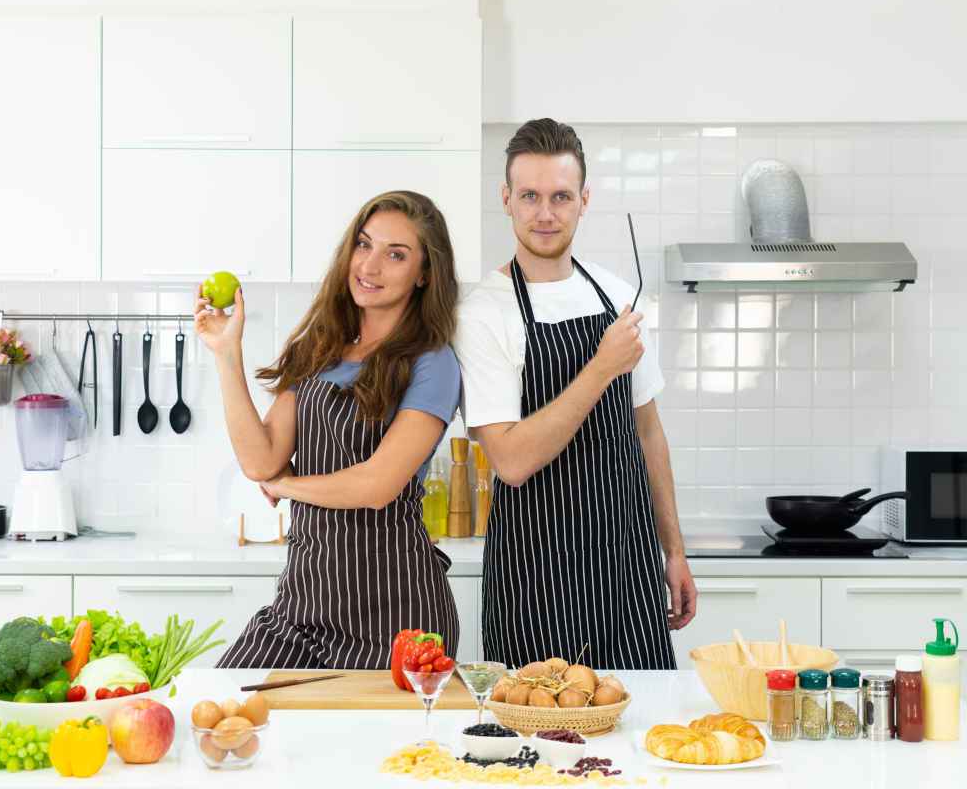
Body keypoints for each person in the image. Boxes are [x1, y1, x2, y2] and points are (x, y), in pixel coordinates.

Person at [454, 119, 697, 670]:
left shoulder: (617, 296)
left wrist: (675, 552)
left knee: (640, 735)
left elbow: (648, 432)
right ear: (506, 199)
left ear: (584, 200)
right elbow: (512, 461)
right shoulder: (482, 313)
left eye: (561, 196)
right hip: (535, 579)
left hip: (627, 567)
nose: (545, 213)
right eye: (530, 196)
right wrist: (600, 368)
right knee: (536, 744)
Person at [197, 190, 463, 669]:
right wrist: (226, 353)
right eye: (364, 245)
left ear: (424, 274)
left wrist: (285, 486)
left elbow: (377, 485)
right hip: (301, 607)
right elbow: (261, 459)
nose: (371, 265)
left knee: (380, 747)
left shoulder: (432, 363)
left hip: (395, 615)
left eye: (395, 254)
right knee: (229, 709)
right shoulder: (319, 348)